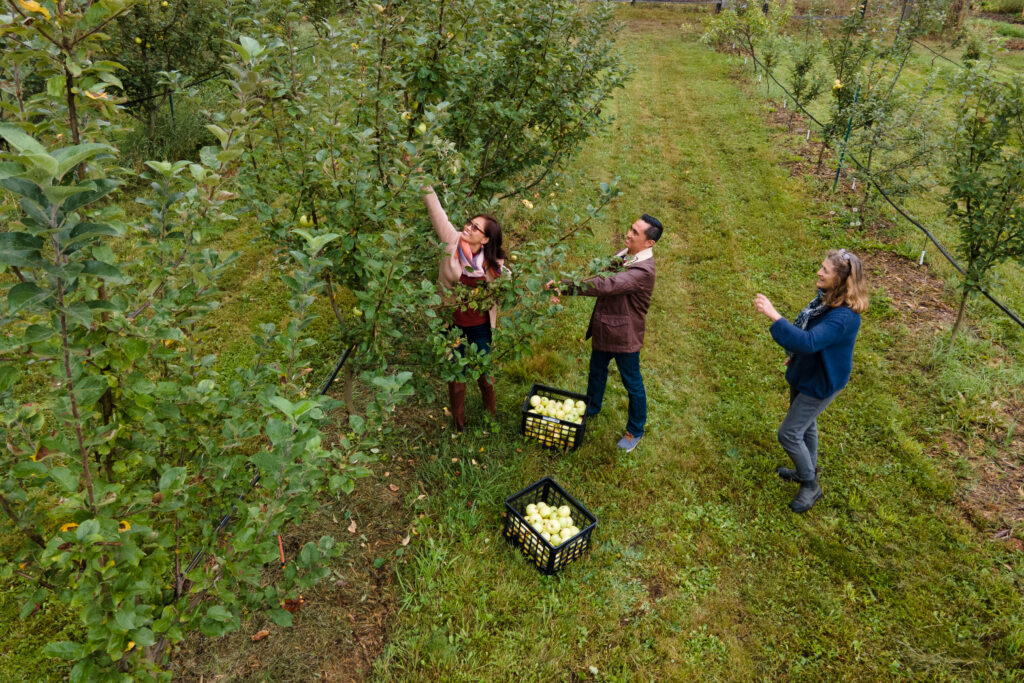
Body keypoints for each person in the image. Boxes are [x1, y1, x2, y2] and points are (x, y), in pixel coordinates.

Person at [753, 248, 868, 513]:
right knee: (805, 425)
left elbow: (809, 341)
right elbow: (808, 338)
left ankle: (810, 484)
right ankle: (807, 467)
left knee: (789, 433)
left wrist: (773, 314)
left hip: (822, 381)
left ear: (840, 280)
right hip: (807, 369)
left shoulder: (844, 317)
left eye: (825, 271)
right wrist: (795, 354)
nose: (818, 272)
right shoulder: (827, 299)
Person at [547, 214, 662, 452]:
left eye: (636, 233)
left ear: (650, 243)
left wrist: (565, 286)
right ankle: (592, 407)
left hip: (624, 337)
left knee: (632, 383)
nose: (629, 234)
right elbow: (600, 277)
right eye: (630, 228)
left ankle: (635, 430)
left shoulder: (643, 271)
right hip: (606, 327)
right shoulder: (625, 254)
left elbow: (606, 285)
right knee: (596, 371)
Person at [423, 185, 508, 432]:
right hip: (452, 327)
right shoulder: (451, 241)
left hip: (480, 327)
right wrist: (420, 176)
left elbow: (516, 285)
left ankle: (490, 417)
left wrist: (548, 291)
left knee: (485, 377)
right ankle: (459, 424)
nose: (468, 228)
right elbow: (435, 209)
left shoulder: (494, 264)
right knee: (457, 379)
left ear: (485, 239)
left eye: (475, 227)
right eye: (469, 223)